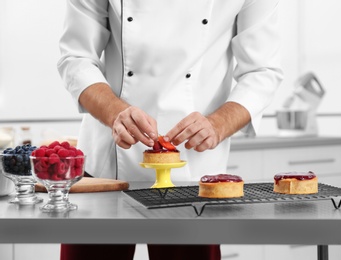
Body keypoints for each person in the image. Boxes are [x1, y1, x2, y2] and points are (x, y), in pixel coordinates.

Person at [57, 0, 283, 259]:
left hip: (193, 171)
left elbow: (262, 71)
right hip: (105, 168)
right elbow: (76, 58)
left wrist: (218, 124)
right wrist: (114, 112)